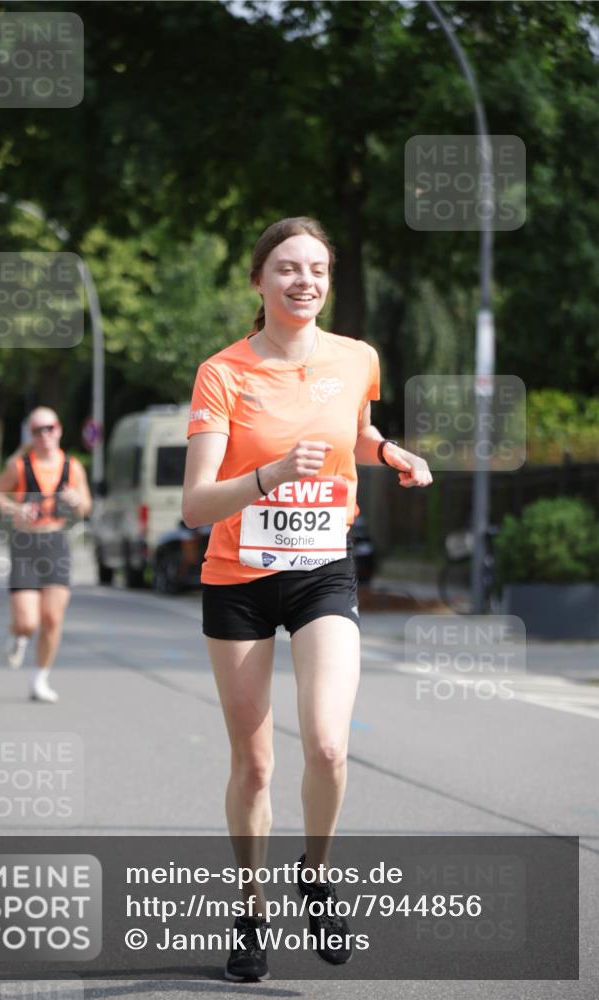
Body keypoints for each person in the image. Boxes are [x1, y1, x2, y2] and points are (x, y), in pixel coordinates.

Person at [182, 216, 432, 982]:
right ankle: (251, 911)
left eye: (317, 269)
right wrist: (271, 475)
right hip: (239, 581)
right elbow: (195, 505)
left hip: (322, 568)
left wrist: (387, 450)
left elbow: (351, 428)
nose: (304, 282)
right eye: (287, 268)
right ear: (258, 280)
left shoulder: (356, 358)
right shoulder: (222, 374)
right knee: (253, 767)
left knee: (328, 743)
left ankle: (315, 875)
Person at [0, 407, 92, 703]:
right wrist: (15, 508)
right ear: (31, 436)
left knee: (52, 618)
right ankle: (17, 635)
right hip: (25, 544)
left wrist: (76, 500)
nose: (44, 435)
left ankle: (40, 680)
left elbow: (86, 506)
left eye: (49, 428)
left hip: (56, 542)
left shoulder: (72, 467)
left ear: (59, 430)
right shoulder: (20, 467)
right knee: (27, 622)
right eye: (37, 430)